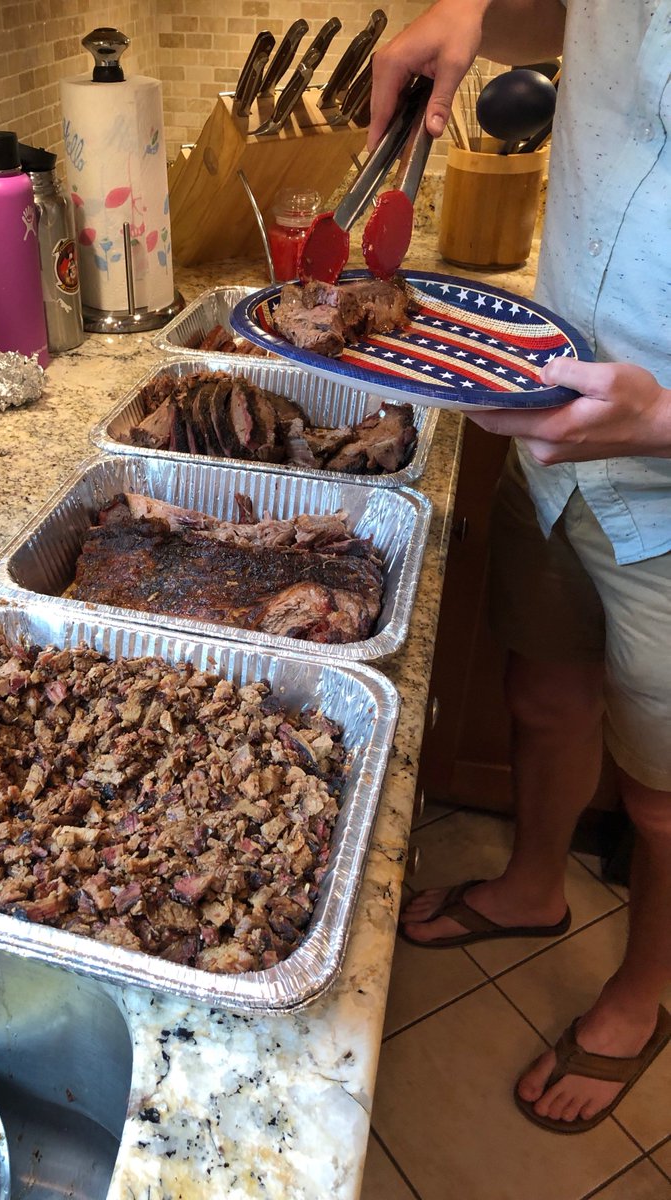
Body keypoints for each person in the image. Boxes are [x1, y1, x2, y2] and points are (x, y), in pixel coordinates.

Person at [366, 0, 671, 1134]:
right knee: (545, 693)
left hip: (667, 465)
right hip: (558, 422)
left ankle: (644, 994)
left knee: (663, 799)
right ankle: (533, 889)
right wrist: (474, 12)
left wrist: (666, 419)